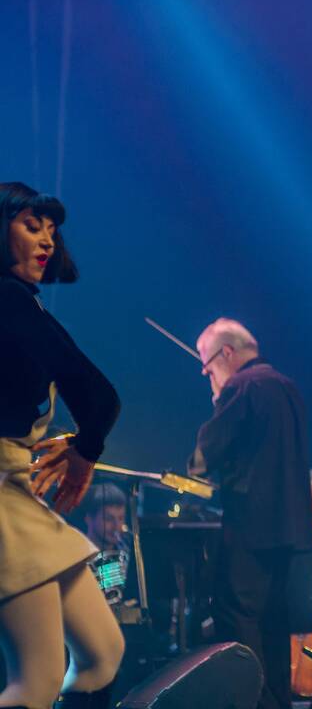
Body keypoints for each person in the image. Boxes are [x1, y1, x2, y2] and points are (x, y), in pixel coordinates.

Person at [0, 181, 124, 709]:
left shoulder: (21, 304)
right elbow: (97, 395)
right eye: (32, 225)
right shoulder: (7, 299)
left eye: (51, 229)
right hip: (3, 500)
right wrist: (85, 450)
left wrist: (81, 447)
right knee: (38, 676)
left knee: (102, 653)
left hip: (16, 489)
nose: (48, 239)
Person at [190, 318, 312, 709]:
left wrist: (217, 399)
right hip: (290, 532)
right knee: (275, 626)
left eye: (207, 366)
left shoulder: (241, 387)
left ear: (226, 352)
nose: (207, 374)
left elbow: (201, 460)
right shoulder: (285, 384)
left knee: (239, 622)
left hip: (250, 529)